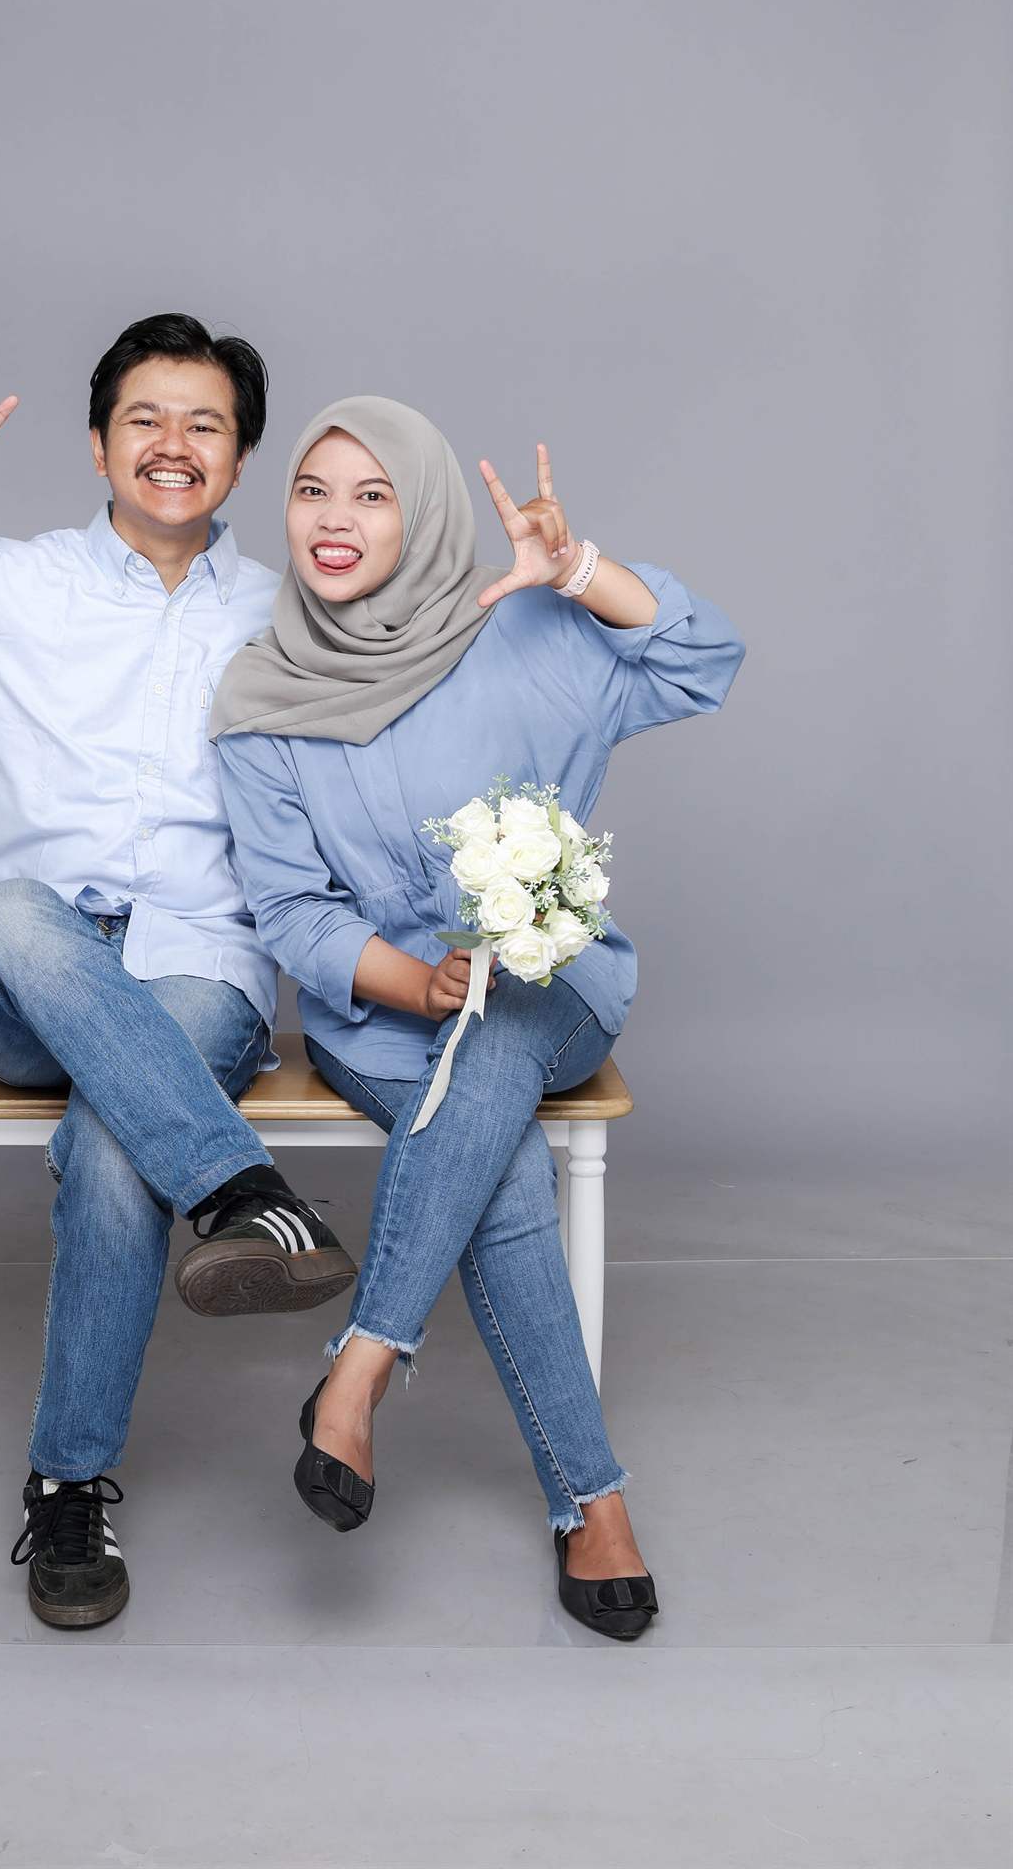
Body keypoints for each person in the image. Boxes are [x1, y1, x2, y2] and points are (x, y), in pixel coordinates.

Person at [0, 316, 359, 1631]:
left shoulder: (286, 615)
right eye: (145, 418)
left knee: (112, 1139)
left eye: (205, 424)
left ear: (240, 457)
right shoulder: (8, 585)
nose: (173, 444)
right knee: (17, 911)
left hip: (199, 965)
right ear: (99, 445)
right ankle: (247, 1191)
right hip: (17, 974)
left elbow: (382, 763)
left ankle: (68, 1482)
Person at [208, 395, 746, 1641]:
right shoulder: (264, 689)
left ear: (427, 511)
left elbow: (703, 660)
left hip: (554, 994)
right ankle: (593, 1504)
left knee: (498, 1029)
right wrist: (419, 983)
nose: (335, 520)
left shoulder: (527, 630)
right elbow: (291, 909)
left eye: (373, 494)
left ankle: (361, 1365)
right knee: (496, 1159)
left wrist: (583, 569)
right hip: (386, 1018)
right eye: (312, 491)